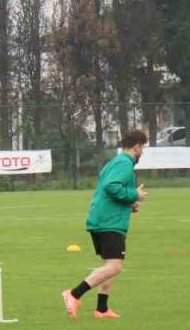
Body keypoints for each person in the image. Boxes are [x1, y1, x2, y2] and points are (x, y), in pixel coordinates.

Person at [61, 130, 148, 320]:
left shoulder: (115, 162)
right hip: (109, 222)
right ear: (137, 146)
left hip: (105, 218)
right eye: (143, 148)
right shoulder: (124, 163)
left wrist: (129, 205)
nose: (143, 152)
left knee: (111, 264)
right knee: (114, 267)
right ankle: (74, 294)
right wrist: (134, 195)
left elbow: (111, 191)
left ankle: (102, 309)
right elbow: (112, 186)